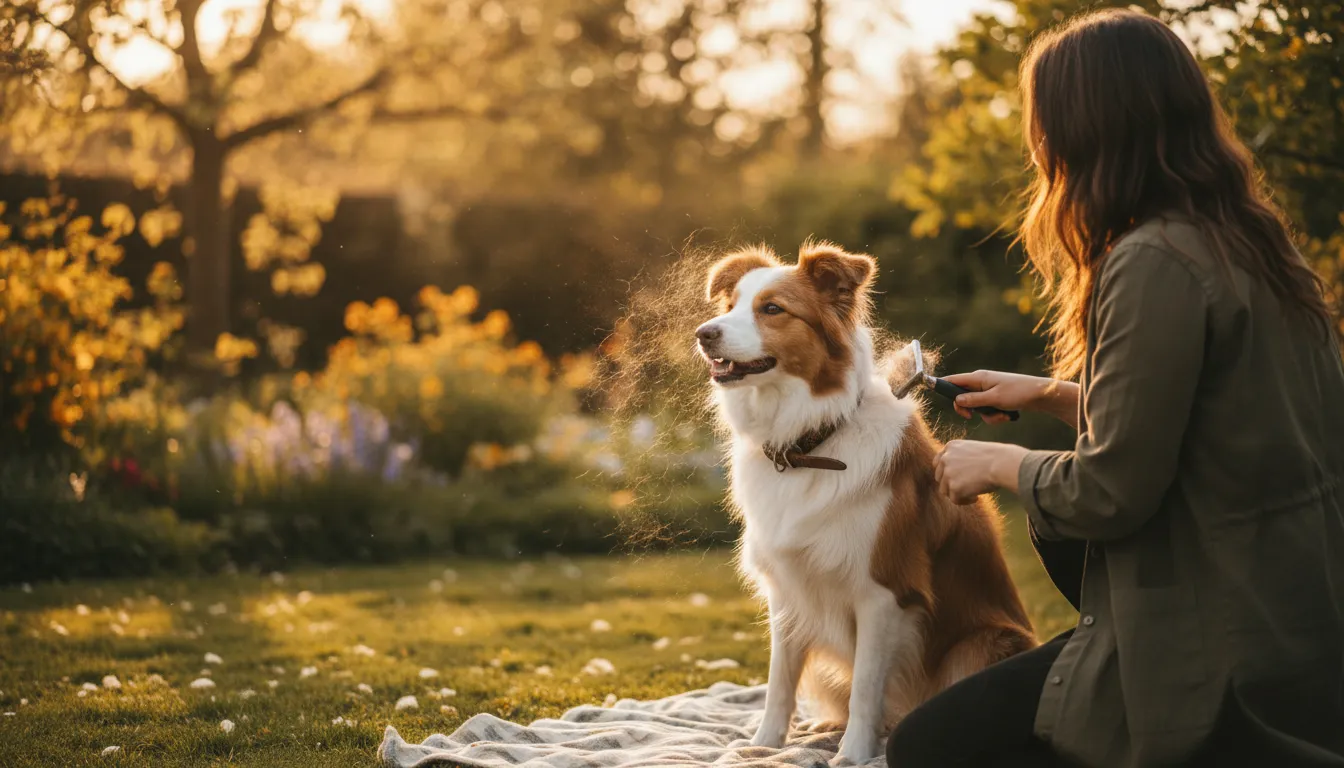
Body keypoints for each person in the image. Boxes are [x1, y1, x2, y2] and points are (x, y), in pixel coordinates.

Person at [888, 8, 1344, 768]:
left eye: (1042, 121)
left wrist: (998, 466)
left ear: (1085, 126)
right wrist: (1050, 395)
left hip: (1222, 632)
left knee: (928, 747)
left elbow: (1112, 492)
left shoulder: (1151, 261)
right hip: (1298, 609)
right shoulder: (1252, 239)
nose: (1038, 145)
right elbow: (1219, 423)